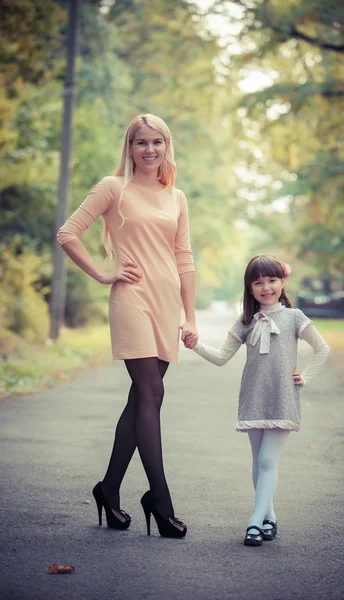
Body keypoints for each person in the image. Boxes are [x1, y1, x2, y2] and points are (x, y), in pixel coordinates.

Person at [57, 114, 198, 538]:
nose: (150, 149)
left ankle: (108, 489)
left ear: (166, 146)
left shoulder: (177, 197)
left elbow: (184, 257)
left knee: (142, 398)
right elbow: (68, 233)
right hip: (132, 299)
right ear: (130, 147)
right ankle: (160, 498)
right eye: (141, 142)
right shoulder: (112, 188)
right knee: (152, 391)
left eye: (157, 142)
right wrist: (103, 274)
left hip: (167, 302)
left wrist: (189, 316)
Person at [185, 255, 329, 546]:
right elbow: (222, 357)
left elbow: (322, 348)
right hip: (253, 396)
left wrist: (306, 376)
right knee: (259, 461)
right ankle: (269, 518)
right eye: (259, 282)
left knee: (267, 459)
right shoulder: (246, 320)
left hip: (282, 397)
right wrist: (195, 344)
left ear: (282, 282)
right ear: (250, 288)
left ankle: (254, 521)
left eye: (272, 280)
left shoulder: (294, 317)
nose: (266, 287)